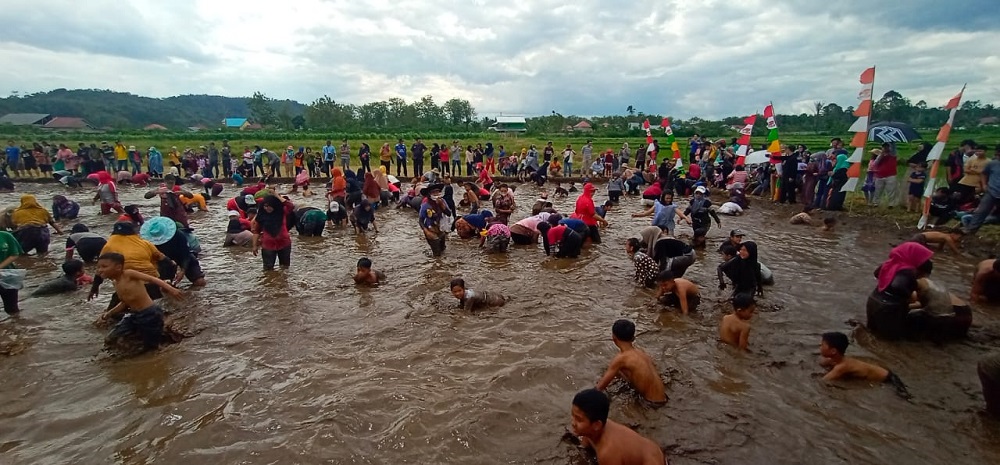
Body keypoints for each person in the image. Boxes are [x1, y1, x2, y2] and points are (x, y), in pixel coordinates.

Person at [96, 252, 182, 352]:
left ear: (118, 267)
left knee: (152, 347)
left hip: (150, 313)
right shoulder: (116, 283)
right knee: (111, 338)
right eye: (98, 267)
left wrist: (171, 289)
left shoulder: (128, 274)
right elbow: (124, 303)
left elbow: (152, 279)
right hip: (134, 315)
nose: (100, 270)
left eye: (104, 266)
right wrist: (108, 314)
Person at [569, 389, 667, 465]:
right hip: (649, 449)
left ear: (596, 425)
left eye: (579, 419)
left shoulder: (607, 452)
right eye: (573, 415)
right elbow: (584, 445)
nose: (573, 422)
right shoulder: (595, 426)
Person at [866, 242, 933, 339]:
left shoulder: (891, 263)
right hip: (889, 308)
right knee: (891, 341)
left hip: (873, 300)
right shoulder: (908, 271)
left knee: (872, 333)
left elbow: (876, 273)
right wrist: (908, 295)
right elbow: (898, 285)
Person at [594, 319, 667, 403]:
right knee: (619, 372)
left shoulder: (621, 358)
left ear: (614, 338)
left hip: (650, 403)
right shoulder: (641, 353)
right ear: (632, 337)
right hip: (663, 399)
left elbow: (599, 388)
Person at [819, 331, 910, 398]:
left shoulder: (842, 367)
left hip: (889, 380)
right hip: (887, 374)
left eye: (822, 345)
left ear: (833, 351)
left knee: (905, 398)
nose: (820, 347)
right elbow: (823, 362)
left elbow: (824, 381)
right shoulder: (839, 360)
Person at [140, 217, 207, 287]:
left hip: (182, 256)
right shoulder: (148, 242)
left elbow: (186, 254)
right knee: (165, 286)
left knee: (200, 282)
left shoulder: (179, 235)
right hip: (164, 261)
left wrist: (182, 271)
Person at [252, 195, 294, 271]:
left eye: (269, 206)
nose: (267, 208)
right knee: (268, 269)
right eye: (265, 206)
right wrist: (254, 246)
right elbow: (256, 232)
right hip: (268, 246)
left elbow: (290, 205)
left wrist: (276, 195)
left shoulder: (282, 212)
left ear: (275, 205)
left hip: (284, 244)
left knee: (285, 267)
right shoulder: (261, 216)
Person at [419, 183, 450, 257]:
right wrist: (425, 231)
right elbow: (420, 220)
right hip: (430, 229)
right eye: (433, 192)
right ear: (429, 194)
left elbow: (448, 213)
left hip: (440, 228)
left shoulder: (443, 201)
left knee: (443, 250)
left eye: (438, 191)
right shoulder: (425, 205)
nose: (436, 194)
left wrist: (441, 205)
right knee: (437, 254)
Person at [0, 230, 24, 315]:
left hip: (8, 275)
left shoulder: (5, 236)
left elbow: (14, 254)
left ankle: (16, 326)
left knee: (12, 309)